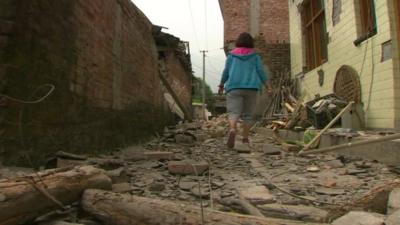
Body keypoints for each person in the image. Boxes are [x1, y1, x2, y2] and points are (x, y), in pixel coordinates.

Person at [218, 32, 272, 149]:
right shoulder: (255, 56)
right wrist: (267, 85)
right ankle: (245, 139)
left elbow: (226, 71)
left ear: (238, 42)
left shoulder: (231, 56)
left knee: (233, 112)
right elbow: (261, 72)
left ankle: (232, 129)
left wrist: (222, 84)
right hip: (251, 88)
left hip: (234, 87)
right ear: (250, 43)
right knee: (247, 115)